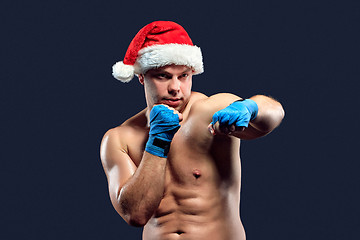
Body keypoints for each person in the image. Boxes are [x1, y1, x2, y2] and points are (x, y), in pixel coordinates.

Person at [100, 21, 285, 240]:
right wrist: (158, 141)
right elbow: (135, 214)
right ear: (142, 77)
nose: (175, 87)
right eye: (163, 76)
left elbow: (274, 112)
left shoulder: (209, 110)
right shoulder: (119, 139)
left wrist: (249, 107)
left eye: (184, 76)